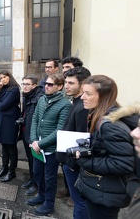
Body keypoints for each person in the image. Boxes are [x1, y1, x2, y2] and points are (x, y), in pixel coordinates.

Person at [74, 75, 135, 219]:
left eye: (88, 94)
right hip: (102, 190)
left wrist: (84, 161)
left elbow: (124, 164)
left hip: (105, 193)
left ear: (104, 97)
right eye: (83, 92)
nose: (82, 97)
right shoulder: (101, 116)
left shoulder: (110, 126)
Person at [27, 73, 71, 216]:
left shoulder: (64, 104)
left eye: (50, 84)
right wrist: (33, 140)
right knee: (37, 172)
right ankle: (41, 195)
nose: (46, 86)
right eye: (46, 83)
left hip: (50, 148)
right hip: (37, 146)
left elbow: (59, 130)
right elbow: (34, 119)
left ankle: (49, 204)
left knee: (50, 178)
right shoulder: (42, 99)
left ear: (59, 87)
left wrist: (41, 143)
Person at [56, 67, 91, 219]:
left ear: (83, 84)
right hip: (69, 162)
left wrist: (71, 164)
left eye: (71, 83)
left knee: (80, 203)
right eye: (66, 82)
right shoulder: (77, 102)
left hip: (74, 165)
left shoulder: (83, 107)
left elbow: (83, 140)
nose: (66, 86)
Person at [0, 70, 21, 182]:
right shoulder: (2, 88)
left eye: (4, 77)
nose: (2, 79)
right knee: (4, 145)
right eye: (1, 78)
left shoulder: (14, 89)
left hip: (10, 120)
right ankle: (4, 167)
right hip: (2, 119)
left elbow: (3, 105)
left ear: (9, 77)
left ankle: (12, 171)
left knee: (11, 146)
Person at [19, 74, 43, 196]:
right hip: (25, 131)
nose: (24, 86)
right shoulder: (26, 96)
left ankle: (37, 184)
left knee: (36, 160)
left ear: (34, 85)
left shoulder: (39, 97)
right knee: (30, 159)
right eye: (23, 84)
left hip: (34, 135)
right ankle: (32, 179)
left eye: (27, 84)